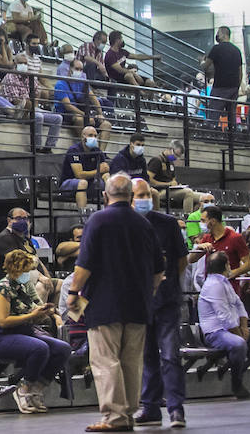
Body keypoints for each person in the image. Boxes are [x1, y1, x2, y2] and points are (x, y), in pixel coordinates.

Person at [63, 174, 163, 432]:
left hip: (105, 304)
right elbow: (158, 271)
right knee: (132, 362)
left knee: (106, 361)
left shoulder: (98, 220)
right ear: (131, 196)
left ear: (106, 196)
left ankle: (114, 417)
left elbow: (84, 264)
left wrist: (73, 292)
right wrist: (147, 292)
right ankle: (128, 414)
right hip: (139, 305)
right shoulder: (144, 225)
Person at [131, 179, 190, 428]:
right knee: (147, 357)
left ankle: (176, 409)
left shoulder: (167, 224)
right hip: (140, 303)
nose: (144, 198)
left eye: (147, 194)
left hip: (166, 300)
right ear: (130, 198)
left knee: (169, 355)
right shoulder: (127, 225)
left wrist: (167, 285)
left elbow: (181, 260)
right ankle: (150, 407)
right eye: (139, 195)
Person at [0, 249, 70, 414]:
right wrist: (32, 315)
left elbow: (32, 311)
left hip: (22, 332)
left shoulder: (23, 286)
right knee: (40, 348)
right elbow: (3, 321)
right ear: (16, 269)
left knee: (62, 348)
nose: (30, 273)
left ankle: (36, 388)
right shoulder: (3, 288)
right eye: (27, 270)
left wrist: (44, 312)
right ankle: (23, 388)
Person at [197, 250, 250, 399]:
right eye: (228, 263)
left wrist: (243, 326)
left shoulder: (225, 282)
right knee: (238, 344)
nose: (230, 266)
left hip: (234, 329)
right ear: (224, 266)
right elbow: (225, 318)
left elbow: (239, 305)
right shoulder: (213, 285)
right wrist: (240, 334)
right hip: (215, 333)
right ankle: (237, 384)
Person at [189, 205, 250, 287]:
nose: (201, 224)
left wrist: (232, 273)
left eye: (203, 220)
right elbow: (191, 260)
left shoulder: (235, 238)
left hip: (229, 288)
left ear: (213, 221)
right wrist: (199, 247)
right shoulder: (207, 238)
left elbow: (248, 264)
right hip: (210, 288)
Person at [202, 26, 243, 128]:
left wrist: (202, 61)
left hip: (220, 87)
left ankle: (212, 135)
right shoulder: (236, 50)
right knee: (232, 115)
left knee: (213, 114)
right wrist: (237, 87)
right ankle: (232, 138)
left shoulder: (216, 48)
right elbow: (240, 71)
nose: (217, 35)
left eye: (218, 33)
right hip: (233, 87)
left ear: (223, 34)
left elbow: (205, 66)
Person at [61, 126, 110, 209]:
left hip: (90, 183)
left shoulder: (97, 151)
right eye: (90, 135)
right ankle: (83, 217)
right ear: (83, 136)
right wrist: (98, 171)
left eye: (95, 136)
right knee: (82, 182)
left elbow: (104, 170)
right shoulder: (74, 150)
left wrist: (107, 177)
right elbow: (79, 175)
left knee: (108, 179)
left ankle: (110, 213)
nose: (94, 138)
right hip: (69, 185)